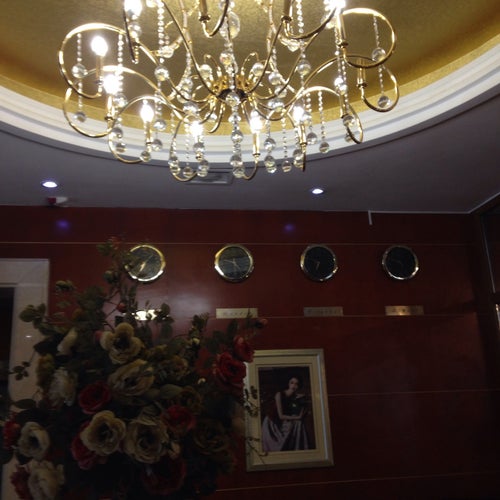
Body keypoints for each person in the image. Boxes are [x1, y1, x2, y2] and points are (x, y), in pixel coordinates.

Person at [261, 375, 310, 452]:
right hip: (271, 423)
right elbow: (281, 416)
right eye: (292, 383)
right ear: (288, 384)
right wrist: (297, 417)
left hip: (281, 421)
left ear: (299, 386)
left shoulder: (295, 397)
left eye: (296, 384)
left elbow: (300, 409)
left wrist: (302, 399)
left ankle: (299, 448)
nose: (294, 386)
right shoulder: (279, 394)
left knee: (299, 423)